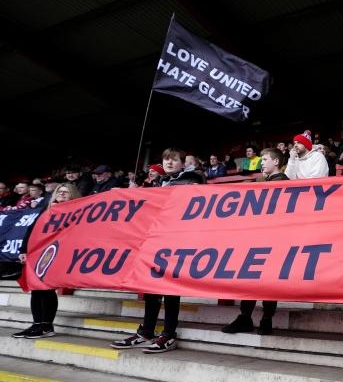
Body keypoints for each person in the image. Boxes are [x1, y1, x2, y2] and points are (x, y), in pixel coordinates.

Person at [110, 148, 203, 354]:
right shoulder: (159, 183)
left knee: (170, 289)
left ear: (182, 163)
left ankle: (169, 334)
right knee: (151, 287)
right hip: (156, 241)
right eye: (166, 160)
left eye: (174, 160)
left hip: (177, 241)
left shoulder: (192, 180)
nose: (169, 163)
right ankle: (147, 331)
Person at [222, 148, 288, 335]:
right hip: (257, 238)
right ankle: (245, 317)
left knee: (267, 281)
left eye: (265, 159)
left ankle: (266, 318)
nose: (262, 162)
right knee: (250, 279)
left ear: (276, 162)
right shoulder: (261, 182)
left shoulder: (283, 182)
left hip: (273, 239)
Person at [12, 183, 82, 339]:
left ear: (73, 195)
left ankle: (46, 326)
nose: (62, 194)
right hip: (40, 253)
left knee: (46, 288)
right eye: (59, 192)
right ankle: (37, 325)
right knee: (36, 289)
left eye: (66, 192)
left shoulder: (78, 212)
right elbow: (31, 230)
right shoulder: (47, 210)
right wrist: (23, 250)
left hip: (60, 254)